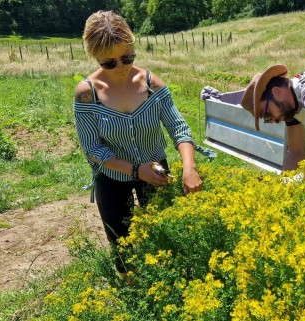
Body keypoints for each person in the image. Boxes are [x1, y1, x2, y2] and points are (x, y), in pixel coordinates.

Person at [73, 10, 202, 279]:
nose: (121, 66)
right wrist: (134, 170)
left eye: (127, 57)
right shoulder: (88, 93)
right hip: (111, 177)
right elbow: (94, 149)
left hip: (156, 172)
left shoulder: (151, 84)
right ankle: (132, 288)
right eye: (109, 62)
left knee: (164, 233)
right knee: (121, 241)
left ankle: (166, 283)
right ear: (94, 55)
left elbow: (179, 128)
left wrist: (189, 168)